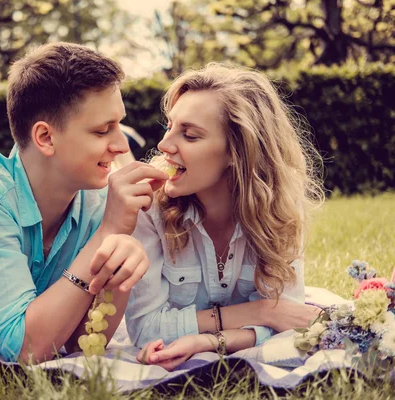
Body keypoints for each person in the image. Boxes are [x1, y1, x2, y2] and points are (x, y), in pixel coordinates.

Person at [0, 42, 168, 363]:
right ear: (45, 137)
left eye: (119, 125)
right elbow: (26, 349)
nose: (120, 145)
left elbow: (82, 342)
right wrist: (106, 233)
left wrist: (120, 255)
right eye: (102, 130)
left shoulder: (98, 202)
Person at [125, 63, 325, 371]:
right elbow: (145, 329)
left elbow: (290, 321)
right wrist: (261, 312)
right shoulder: (148, 206)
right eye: (169, 126)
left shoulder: (278, 209)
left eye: (189, 135)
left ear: (238, 151)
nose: (164, 145)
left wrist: (207, 341)